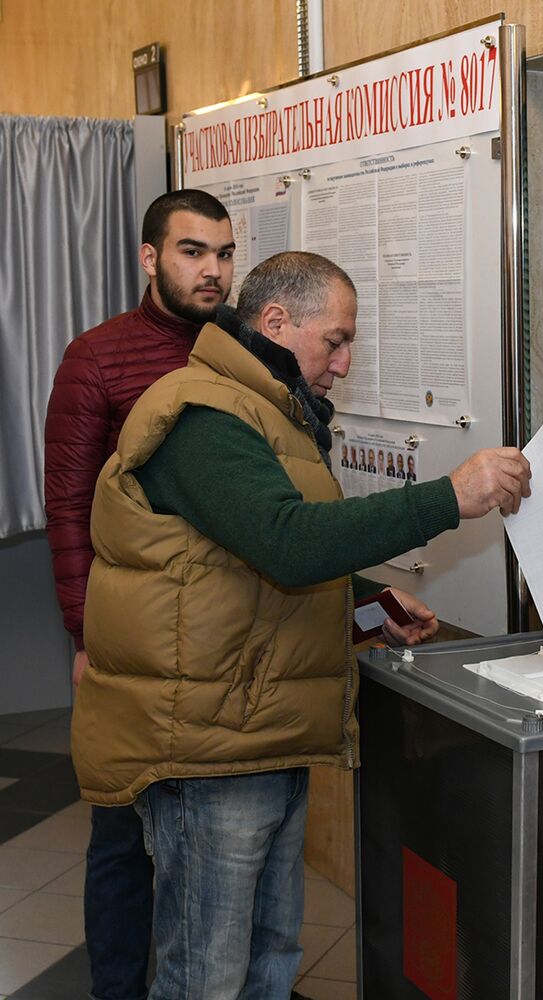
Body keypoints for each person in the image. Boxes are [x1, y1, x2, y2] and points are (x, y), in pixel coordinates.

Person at [70, 251, 532, 999]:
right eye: (335, 341)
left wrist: (364, 605)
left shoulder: (269, 410)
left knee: (270, 963)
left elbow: (239, 565)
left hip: (256, 733)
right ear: (276, 322)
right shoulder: (203, 414)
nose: (344, 365)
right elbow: (284, 543)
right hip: (206, 753)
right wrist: (449, 496)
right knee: (206, 979)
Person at [44, 188, 234, 1000]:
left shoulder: (238, 351)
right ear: (151, 257)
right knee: (123, 836)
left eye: (225, 253)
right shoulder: (98, 356)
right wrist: (89, 638)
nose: (214, 270)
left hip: (222, 639)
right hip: (130, 643)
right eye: (194, 251)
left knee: (220, 838)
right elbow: (68, 504)